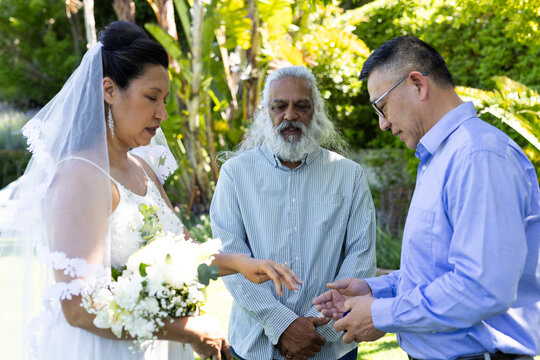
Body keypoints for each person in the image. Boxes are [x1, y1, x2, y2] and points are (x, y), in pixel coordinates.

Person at [0, 21, 302, 360]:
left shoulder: (142, 169)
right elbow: (79, 307)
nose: (162, 114)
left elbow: (186, 251)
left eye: (165, 100)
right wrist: (189, 329)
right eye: (151, 98)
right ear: (109, 90)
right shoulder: (80, 176)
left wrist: (244, 263)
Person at [314, 36, 540, 360]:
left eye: (381, 106)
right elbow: (435, 272)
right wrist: (377, 291)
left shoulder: (479, 156)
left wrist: (382, 314)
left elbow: (482, 287)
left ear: (417, 84)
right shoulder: (439, 159)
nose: (382, 123)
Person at [210, 65, 377, 360]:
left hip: (331, 345)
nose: (290, 115)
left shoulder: (348, 175)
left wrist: (315, 329)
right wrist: (283, 325)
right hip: (256, 345)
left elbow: (360, 258)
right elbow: (230, 260)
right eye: (279, 106)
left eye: (301, 106)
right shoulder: (236, 174)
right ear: (265, 112)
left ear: (316, 111)